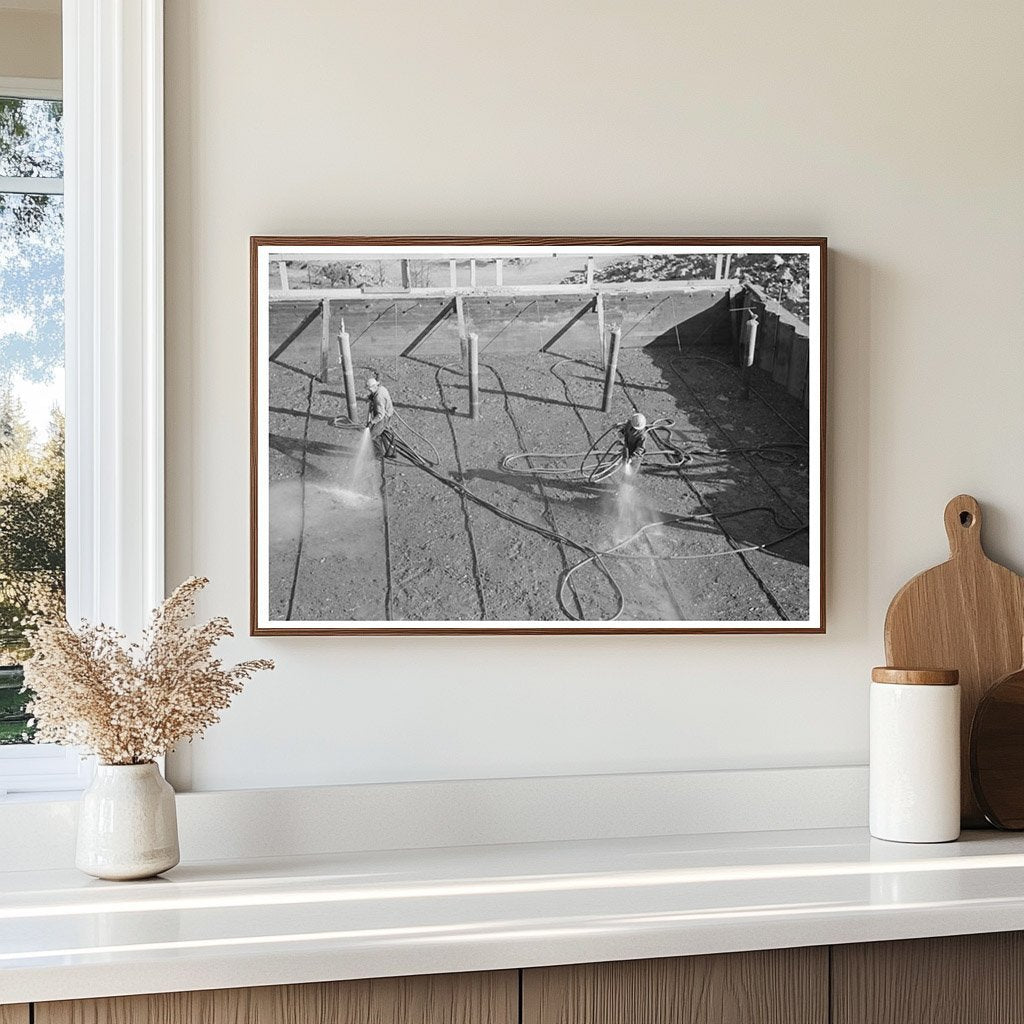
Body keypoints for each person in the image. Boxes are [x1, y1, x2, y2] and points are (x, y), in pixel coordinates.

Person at [365, 371, 395, 458]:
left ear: (374, 387)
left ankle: (378, 453)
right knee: (385, 432)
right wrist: (371, 397)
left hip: (383, 417)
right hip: (388, 412)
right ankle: (392, 451)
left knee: (373, 435)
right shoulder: (381, 388)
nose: (369, 391)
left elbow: (380, 415)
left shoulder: (378, 397)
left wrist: (372, 422)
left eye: (369, 389)